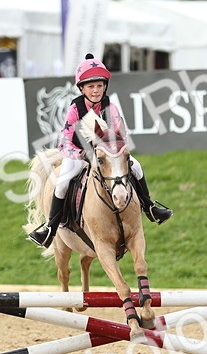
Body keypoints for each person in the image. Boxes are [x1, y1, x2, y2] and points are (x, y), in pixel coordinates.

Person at [27, 54, 172, 247]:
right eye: (90, 87)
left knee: (136, 166)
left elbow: (122, 135)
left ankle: (150, 207)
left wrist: (116, 151)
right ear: (81, 88)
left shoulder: (110, 107)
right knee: (62, 183)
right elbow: (65, 141)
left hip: (107, 156)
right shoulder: (75, 109)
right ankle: (50, 229)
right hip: (80, 154)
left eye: (99, 86)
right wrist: (78, 154)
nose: (96, 91)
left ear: (105, 86)